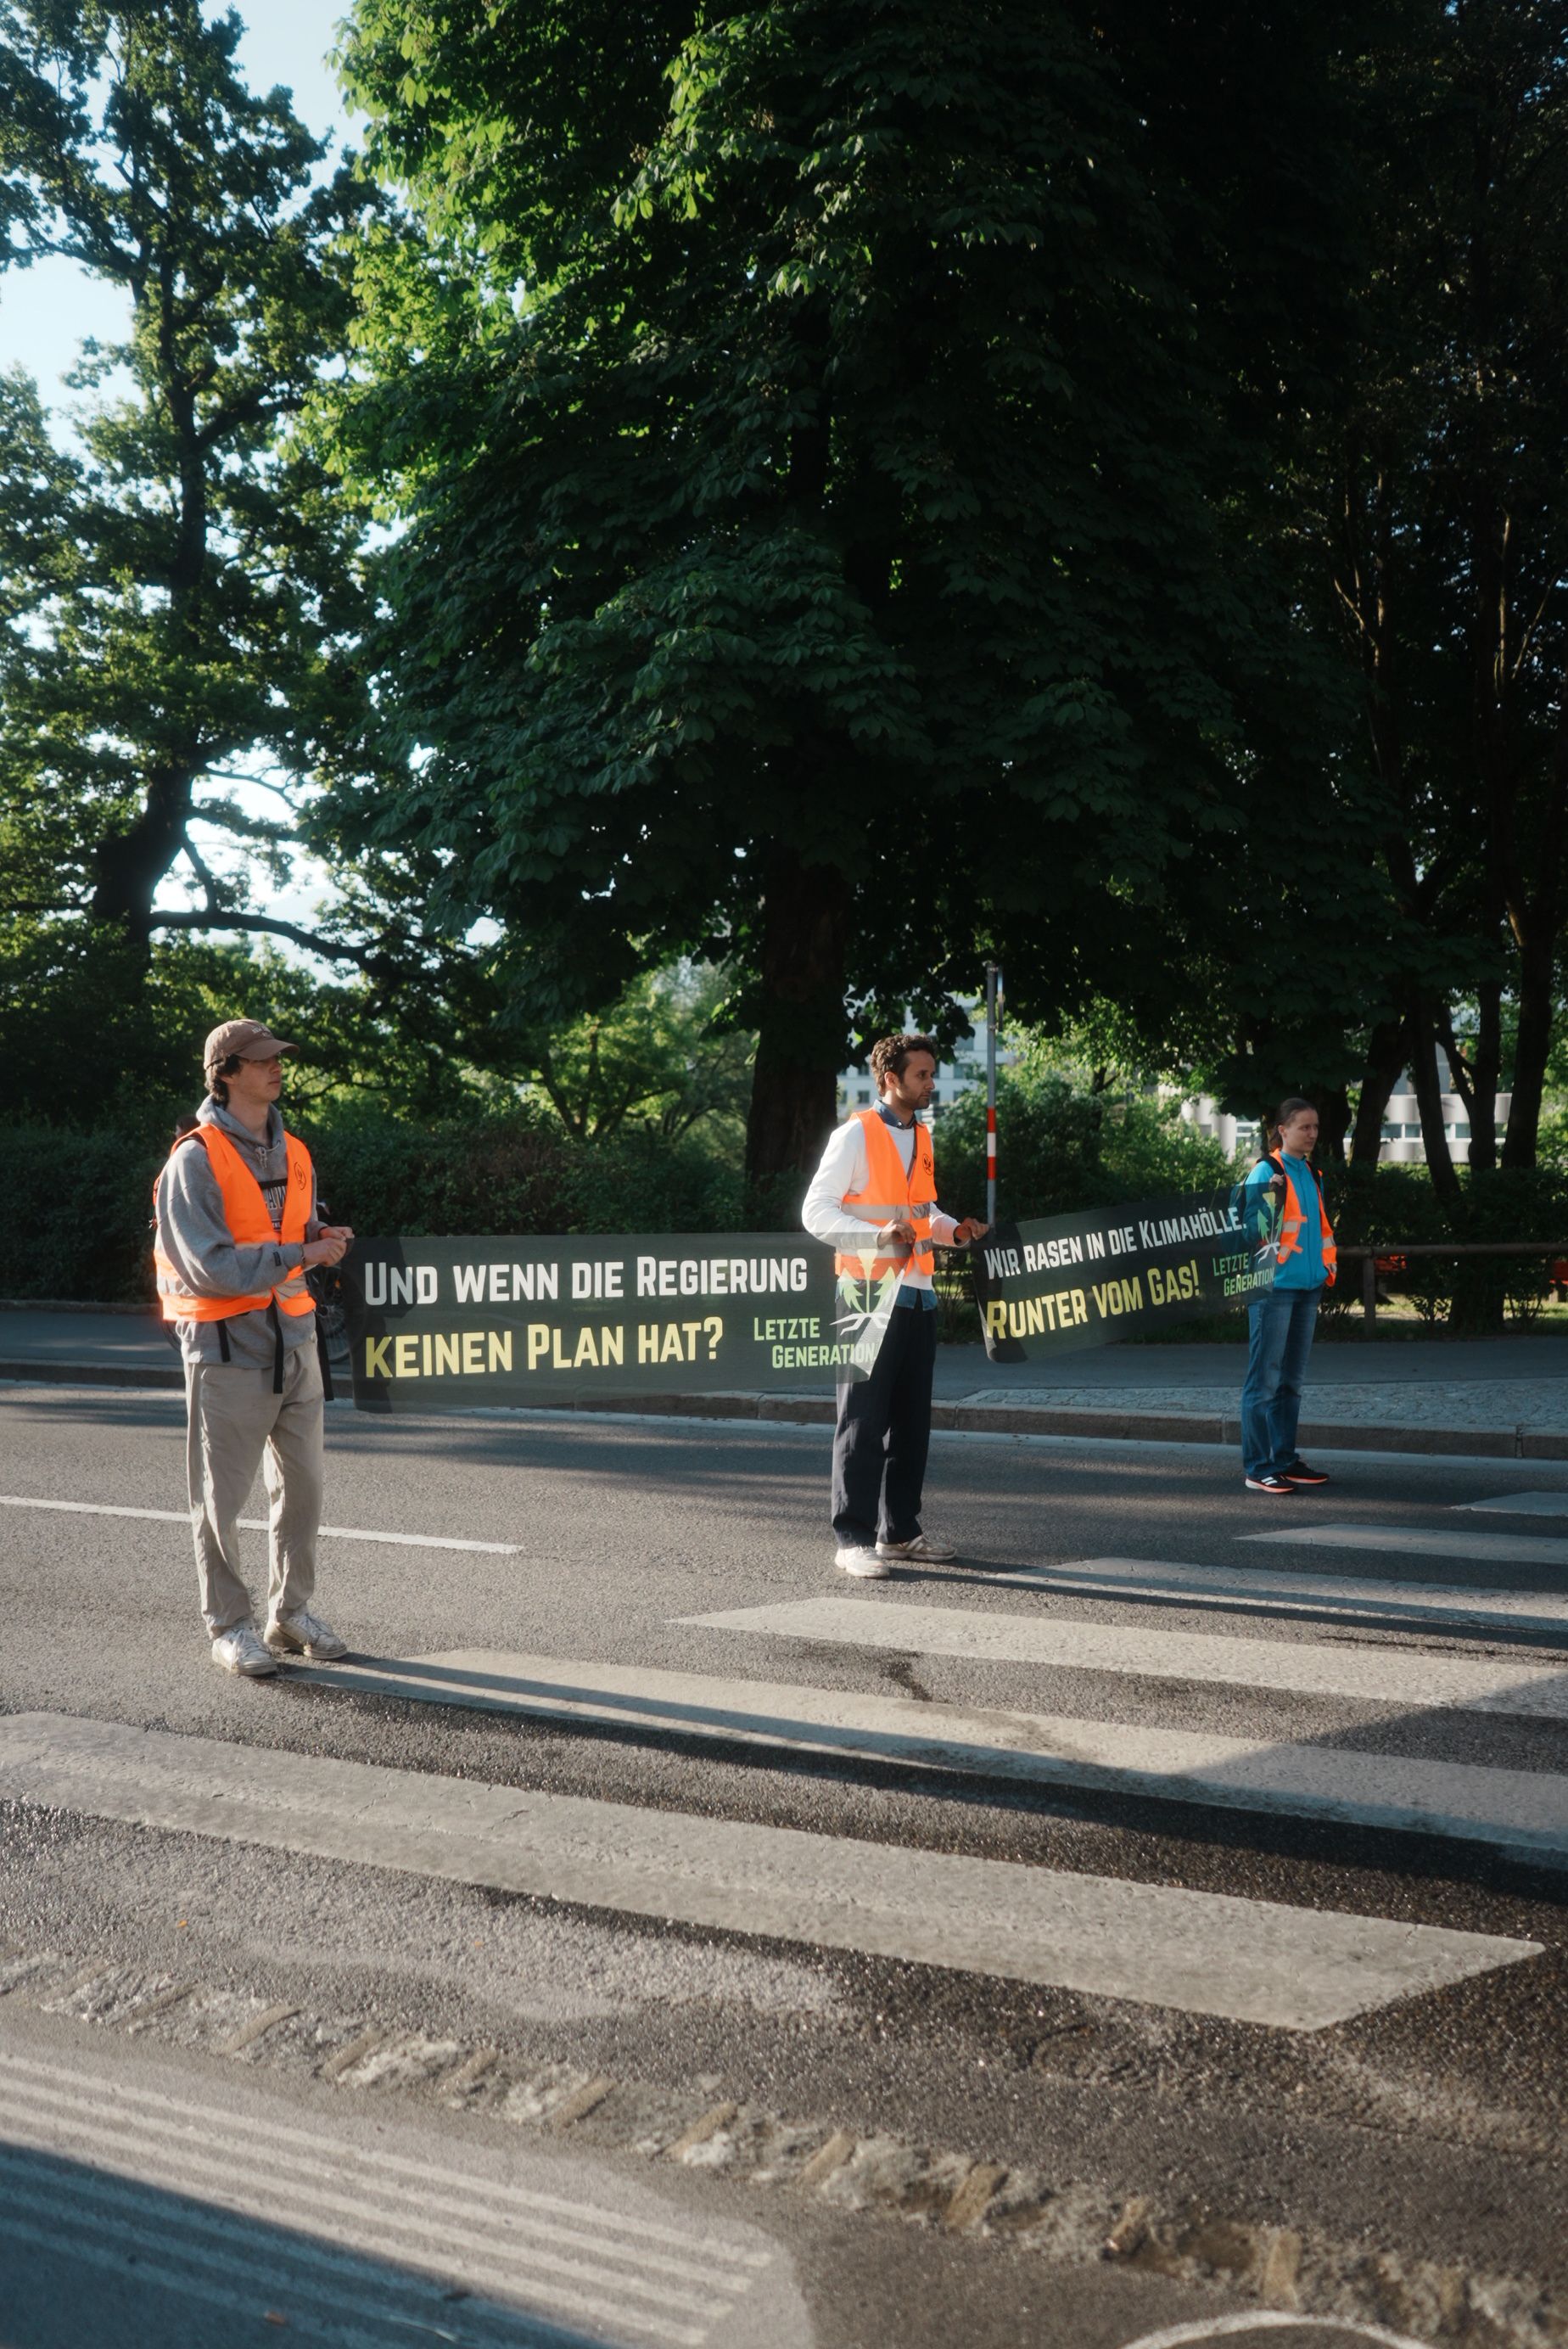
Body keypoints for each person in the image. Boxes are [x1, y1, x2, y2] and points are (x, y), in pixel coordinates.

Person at [153, 1019, 356, 1676]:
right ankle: (229, 1626)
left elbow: (296, 1228)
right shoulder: (194, 1160)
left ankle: (289, 1614)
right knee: (220, 1500)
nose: (277, 1067)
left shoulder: (294, 1150)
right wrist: (301, 1253)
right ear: (226, 1073)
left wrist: (321, 1237)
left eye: (278, 1057)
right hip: (227, 1350)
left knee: (304, 1490)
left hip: (295, 1341)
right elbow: (211, 1267)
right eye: (263, 1059)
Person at [803, 1034, 989, 1576]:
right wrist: (878, 1235)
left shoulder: (922, 1136)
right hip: (865, 1293)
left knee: (911, 1425)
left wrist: (956, 1231)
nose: (931, 1084)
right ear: (891, 1078)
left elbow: (923, 1210)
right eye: (921, 1075)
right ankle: (852, 1539)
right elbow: (816, 1211)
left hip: (919, 1294)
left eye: (931, 1074)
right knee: (862, 1421)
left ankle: (900, 1532)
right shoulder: (855, 1134)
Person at [1239, 1095, 1336, 1495]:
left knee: (1291, 1382)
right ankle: (1258, 1467)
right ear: (1282, 1130)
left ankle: (1284, 1459)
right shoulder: (1266, 1170)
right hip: (1274, 1289)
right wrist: (1270, 1199)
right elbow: (1250, 1232)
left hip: (1308, 1287)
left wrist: (1322, 1273)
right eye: (1304, 1127)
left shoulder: (1312, 1173)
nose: (1312, 1134)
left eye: (1315, 1127)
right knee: (1264, 1381)